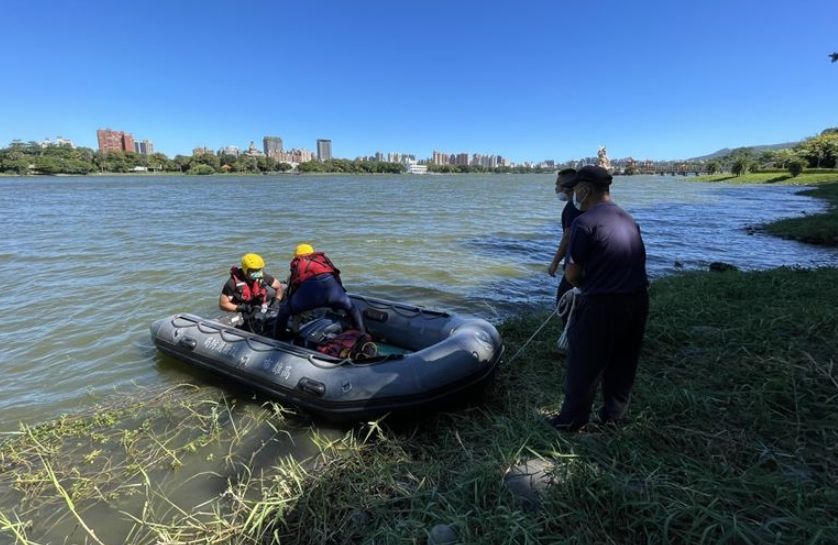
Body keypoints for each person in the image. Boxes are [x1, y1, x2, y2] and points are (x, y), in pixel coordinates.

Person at [546, 165, 649, 432]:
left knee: (583, 365)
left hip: (603, 305)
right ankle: (613, 419)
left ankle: (570, 421)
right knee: (623, 363)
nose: (573, 193)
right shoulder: (627, 217)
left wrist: (582, 284)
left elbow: (572, 274)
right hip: (637, 301)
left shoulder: (584, 222)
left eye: (576, 187)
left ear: (585, 189)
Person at [273, 244, 365, 340]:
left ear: (297, 255)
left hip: (312, 297)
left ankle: (278, 338)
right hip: (334, 295)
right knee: (352, 308)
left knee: (284, 311)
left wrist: (292, 302)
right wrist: (341, 296)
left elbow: (295, 284)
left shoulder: (297, 262)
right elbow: (336, 276)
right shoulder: (323, 259)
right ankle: (362, 334)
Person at [547, 168, 583, 316]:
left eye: (559, 184)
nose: (556, 188)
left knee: (564, 303)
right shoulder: (581, 204)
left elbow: (567, 237)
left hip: (576, 263)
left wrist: (555, 262)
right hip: (585, 262)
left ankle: (570, 335)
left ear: (569, 186)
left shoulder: (572, 207)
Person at [219, 253, 285, 333]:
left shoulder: (262, 276)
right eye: (253, 270)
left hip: (256, 300)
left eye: (259, 269)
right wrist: (242, 308)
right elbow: (223, 304)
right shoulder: (232, 283)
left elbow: (279, 287)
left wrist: (276, 301)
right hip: (242, 305)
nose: (257, 273)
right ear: (245, 270)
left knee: (273, 293)